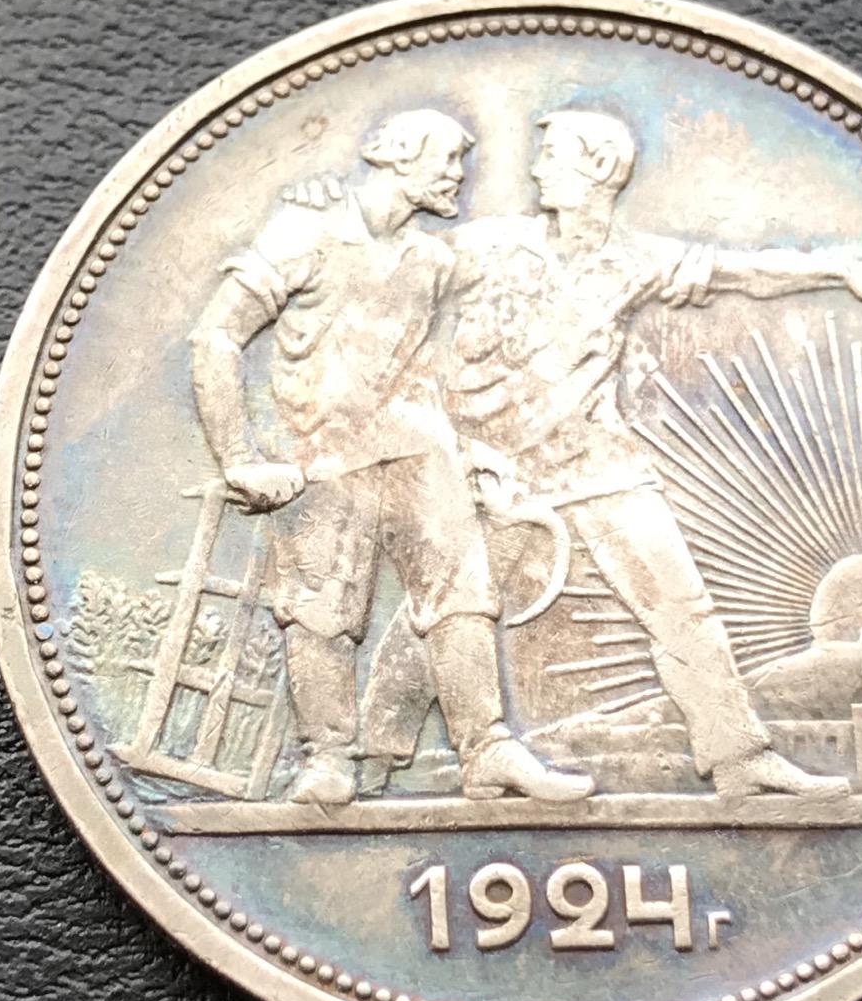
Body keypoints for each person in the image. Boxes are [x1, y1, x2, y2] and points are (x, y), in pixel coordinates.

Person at [350, 108, 862, 797]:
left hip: (598, 465)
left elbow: (741, 273)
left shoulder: (634, 260)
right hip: (493, 470)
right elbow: (384, 289)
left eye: (552, 154)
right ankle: (372, 756)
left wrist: (841, 270)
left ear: (598, 167)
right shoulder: (487, 245)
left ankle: (739, 757)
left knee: (681, 606)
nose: (536, 167)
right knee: (444, 612)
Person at [189, 108, 591, 807]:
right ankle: (326, 757)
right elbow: (217, 337)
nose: (458, 176)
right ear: (400, 155)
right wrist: (239, 457)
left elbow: (421, 367)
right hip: (322, 458)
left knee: (464, 596)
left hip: (419, 452)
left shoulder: (431, 259)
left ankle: (487, 750)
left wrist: (465, 447)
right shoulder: (306, 231)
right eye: (447, 159)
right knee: (320, 609)